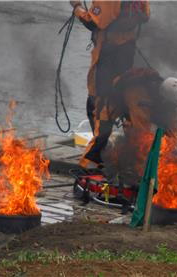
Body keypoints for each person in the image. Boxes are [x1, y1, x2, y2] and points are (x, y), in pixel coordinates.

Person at [70, 0, 151, 169]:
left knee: (98, 106)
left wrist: (77, 7)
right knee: (124, 102)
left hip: (108, 58)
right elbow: (145, 15)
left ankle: (94, 158)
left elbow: (93, 22)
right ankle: (133, 156)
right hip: (127, 53)